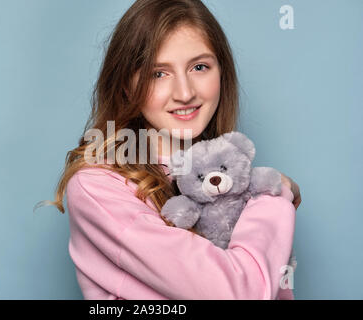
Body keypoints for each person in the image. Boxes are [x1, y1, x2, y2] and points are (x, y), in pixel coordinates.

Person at [44, 0, 302, 299]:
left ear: (222, 73)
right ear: (127, 85)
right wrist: (274, 193)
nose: (185, 93)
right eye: (159, 73)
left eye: (199, 67)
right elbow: (240, 293)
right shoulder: (98, 187)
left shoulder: (225, 180)